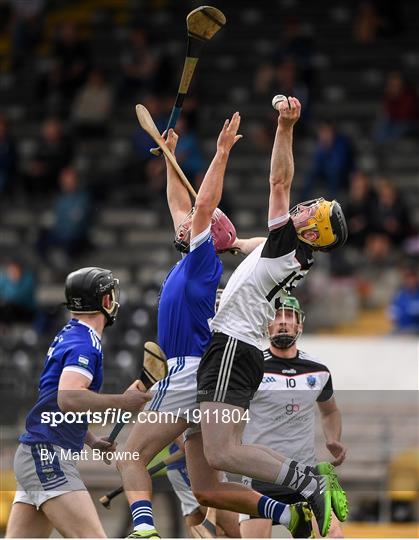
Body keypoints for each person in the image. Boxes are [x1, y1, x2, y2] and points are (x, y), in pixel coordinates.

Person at [117, 114, 312, 539]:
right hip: (203, 380)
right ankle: (286, 515)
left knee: (128, 453)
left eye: (195, 221)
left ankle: (144, 531)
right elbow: (179, 205)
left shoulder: (203, 259)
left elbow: (201, 206)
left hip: (187, 372)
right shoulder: (191, 259)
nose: (184, 220)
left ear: (210, 233)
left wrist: (221, 153)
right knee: (208, 490)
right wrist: (170, 159)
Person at [195, 97, 348, 538]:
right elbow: (261, 245)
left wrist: (285, 126)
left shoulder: (288, 241)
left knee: (223, 452)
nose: (304, 207)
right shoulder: (290, 252)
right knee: (217, 450)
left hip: (230, 346)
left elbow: (278, 179)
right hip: (239, 348)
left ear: (314, 231)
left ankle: (303, 482)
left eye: (312, 213)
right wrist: (237, 242)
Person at [5, 267, 151, 538]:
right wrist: (124, 402)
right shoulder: (84, 343)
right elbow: (68, 398)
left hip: (36, 454)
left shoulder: (71, 334)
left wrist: (91, 440)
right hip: (47, 456)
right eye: (111, 295)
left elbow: (53, 405)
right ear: (105, 302)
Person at [240, 296, 346, 538]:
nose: (283, 322)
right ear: (267, 325)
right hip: (260, 475)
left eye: (289, 316)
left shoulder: (318, 370)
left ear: (300, 325)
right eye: (276, 316)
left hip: (304, 475)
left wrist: (332, 438)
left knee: (335, 536)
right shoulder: (251, 367)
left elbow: (330, 410)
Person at [0, 258, 36, 324]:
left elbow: (18, 296)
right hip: (9, 309)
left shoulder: (28, 280)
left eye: (15, 270)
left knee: (9, 308)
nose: (13, 273)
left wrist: (4, 298)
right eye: (11, 271)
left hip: (25, 310)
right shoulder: (4, 279)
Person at [389, 264, 419, 334]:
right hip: (402, 330)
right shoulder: (400, 295)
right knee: (386, 339)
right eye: (408, 278)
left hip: (416, 331)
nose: (411, 280)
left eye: (412, 278)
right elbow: (393, 315)